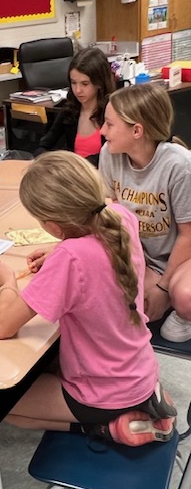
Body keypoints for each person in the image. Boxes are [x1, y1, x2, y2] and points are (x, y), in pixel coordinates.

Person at [0, 151, 177, 447]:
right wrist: (61, 247)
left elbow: (4, 326)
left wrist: (6, 282)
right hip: (139, 370)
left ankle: (106, 426)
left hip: (102, 389)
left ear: (53, 226)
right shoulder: (121, 217)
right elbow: (96, 253)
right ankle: (135, 406)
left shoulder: (70, 258)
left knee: (5, 404)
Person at [99, 83, 191, 342]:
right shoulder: (110, 154)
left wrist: (162, 287)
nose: (103, 131)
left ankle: (181, 306)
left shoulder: (179, 166)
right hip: (148, 256)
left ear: (137, 131)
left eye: (109, 124)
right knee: (119, 303)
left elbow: (188, 236)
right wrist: (135, 267)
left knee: (183, 298)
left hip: (184, 254)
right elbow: (114, 214)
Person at [34, 47, 115, 166]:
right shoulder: (69, 111)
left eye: (85, 84)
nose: (77, 90)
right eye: (73, 83)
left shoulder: (112, 112)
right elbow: (43, 147)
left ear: (99, 83)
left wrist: (73, 165)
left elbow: (112, 157)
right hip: (72, 177)